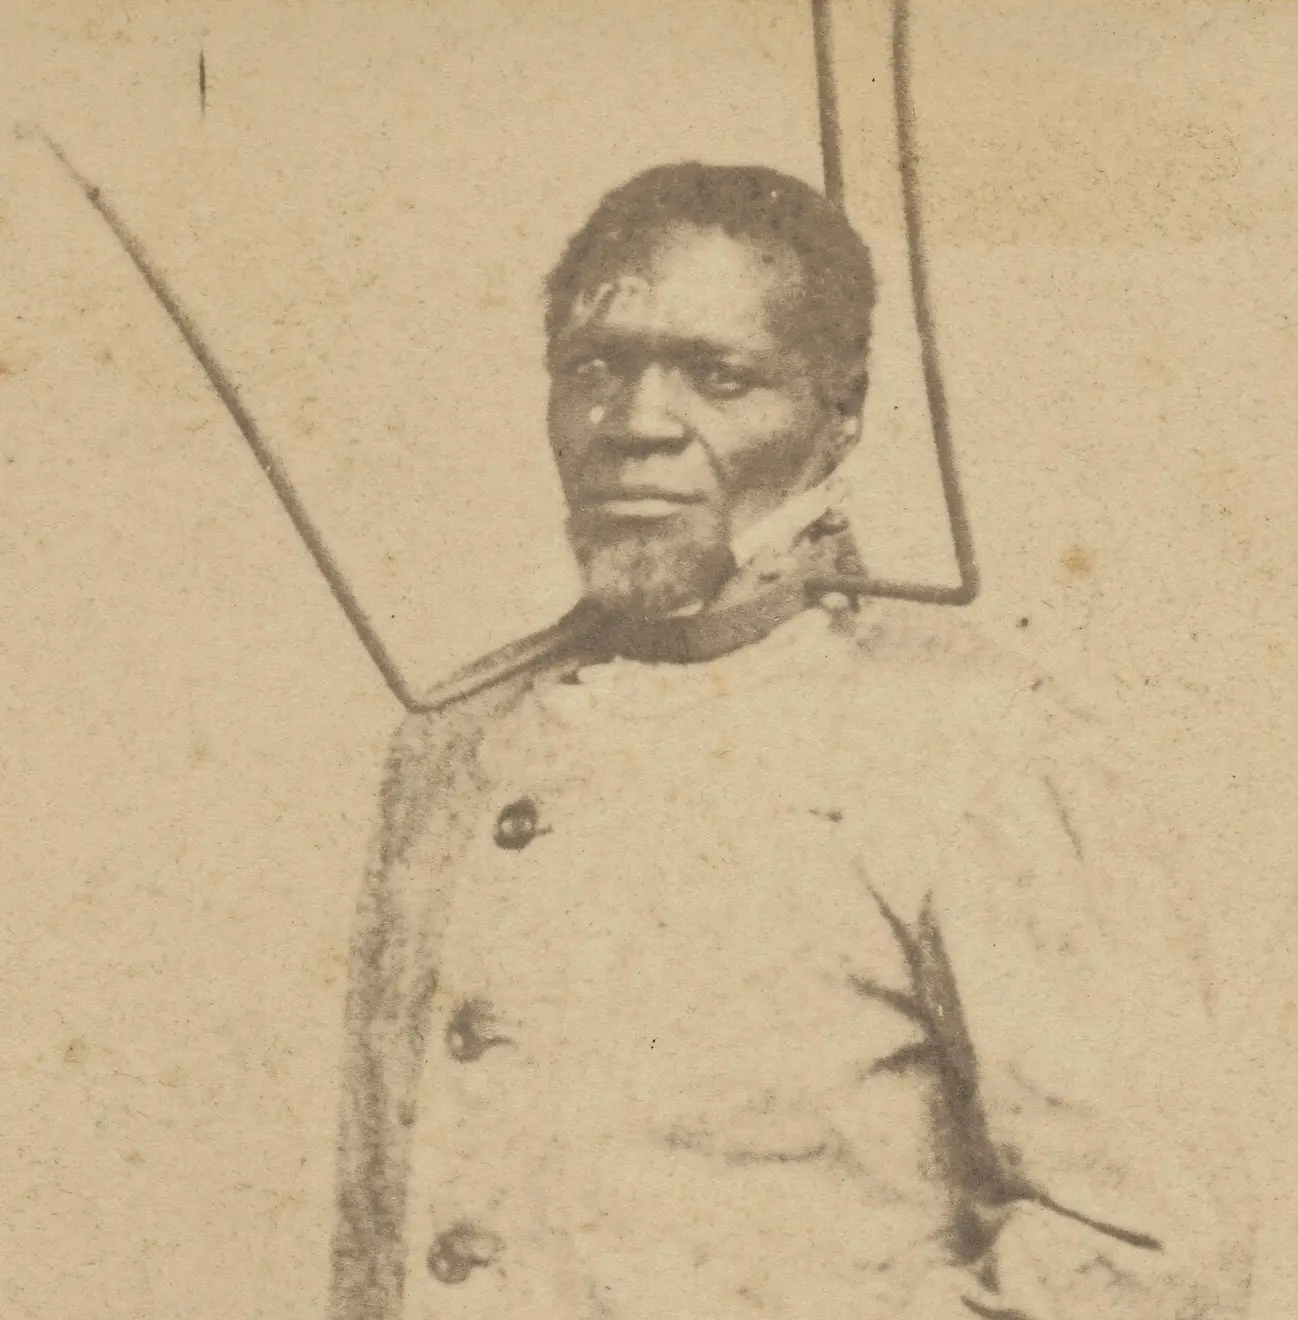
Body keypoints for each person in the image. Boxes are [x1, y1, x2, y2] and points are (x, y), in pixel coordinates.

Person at [327, 163, 1253, 1320]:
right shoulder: (453, 742)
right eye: (593, 369)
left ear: (838, 412)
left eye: (718, 376)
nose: (635, 426)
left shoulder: (982, 745)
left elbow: (1140, 1259)